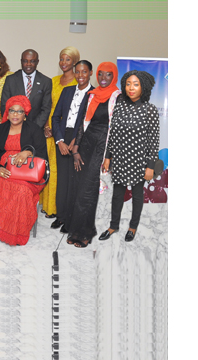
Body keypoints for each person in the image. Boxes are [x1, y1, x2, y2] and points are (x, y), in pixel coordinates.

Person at [0, 95, 47, 245]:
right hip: (3, 168)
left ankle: (15, 231)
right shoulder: (1, 129)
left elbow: (42, 153)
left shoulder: (34, 129)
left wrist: (27, 152)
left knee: (21, 191)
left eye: (19, 111)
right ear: (7, 113)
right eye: (12, 111)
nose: (15, 114)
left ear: (25, 114)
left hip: (26, 172)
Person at [63, 62, 121, 247]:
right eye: (101, 74)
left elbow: (117, 130)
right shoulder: (92, 95)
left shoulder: (117, 97)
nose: (103, 78)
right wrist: (76, 148)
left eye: (108, 75)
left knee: (88, 190)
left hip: (103, 146)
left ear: (114, 76)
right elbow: (83, 123)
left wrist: (108, 156)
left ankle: (84, 234)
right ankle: (76, 229)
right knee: (79, 188)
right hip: (87, 144)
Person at [99, 70, 159, 242]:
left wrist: (150, 166)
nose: (131, 88)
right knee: (117, 195)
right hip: (119, 158)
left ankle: (133, 227)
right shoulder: (119, 106)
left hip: (139, 161)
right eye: (128, 84)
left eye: (136, 84)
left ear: (143, 87)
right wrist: (108, 157)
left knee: (137, 195)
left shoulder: (150, 110)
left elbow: (153, 141)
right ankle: (113, 226)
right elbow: (113, 135)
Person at [50, 60, 94, 234]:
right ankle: (61, 216)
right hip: (63, 137)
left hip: (82, 139)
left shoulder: (94, 94)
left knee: (75, 181)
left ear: (90, 72)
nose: (80, 75)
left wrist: (76, 141)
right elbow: (55, 117)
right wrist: (60, 140)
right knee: (62, 179)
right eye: (77, 72)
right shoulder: (67, 91)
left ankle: (71, 218)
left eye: (84, 72)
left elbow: (91, 121)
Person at [41, 47, 80, 222]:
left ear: (74, 62)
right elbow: (47, 106)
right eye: (61, 59)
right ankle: (48, 206)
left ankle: (59, 208)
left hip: (67, 133)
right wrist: (46, 125)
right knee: (49, 168)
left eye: (67, 60)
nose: (63, 63)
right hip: (50, 130)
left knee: (61, 172)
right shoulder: (53, 81)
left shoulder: (78, 83)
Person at [0, 49, 52, 129]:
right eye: (25, 61)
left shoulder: (46, 81)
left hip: (36, 130)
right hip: (13, 128)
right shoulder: (11, 80)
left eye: (32, 61)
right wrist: (15, 123)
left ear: (37, 62)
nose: (28, 64)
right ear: (21, 61)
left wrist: (33, 128)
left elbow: (45, 109)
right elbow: (4, 105)